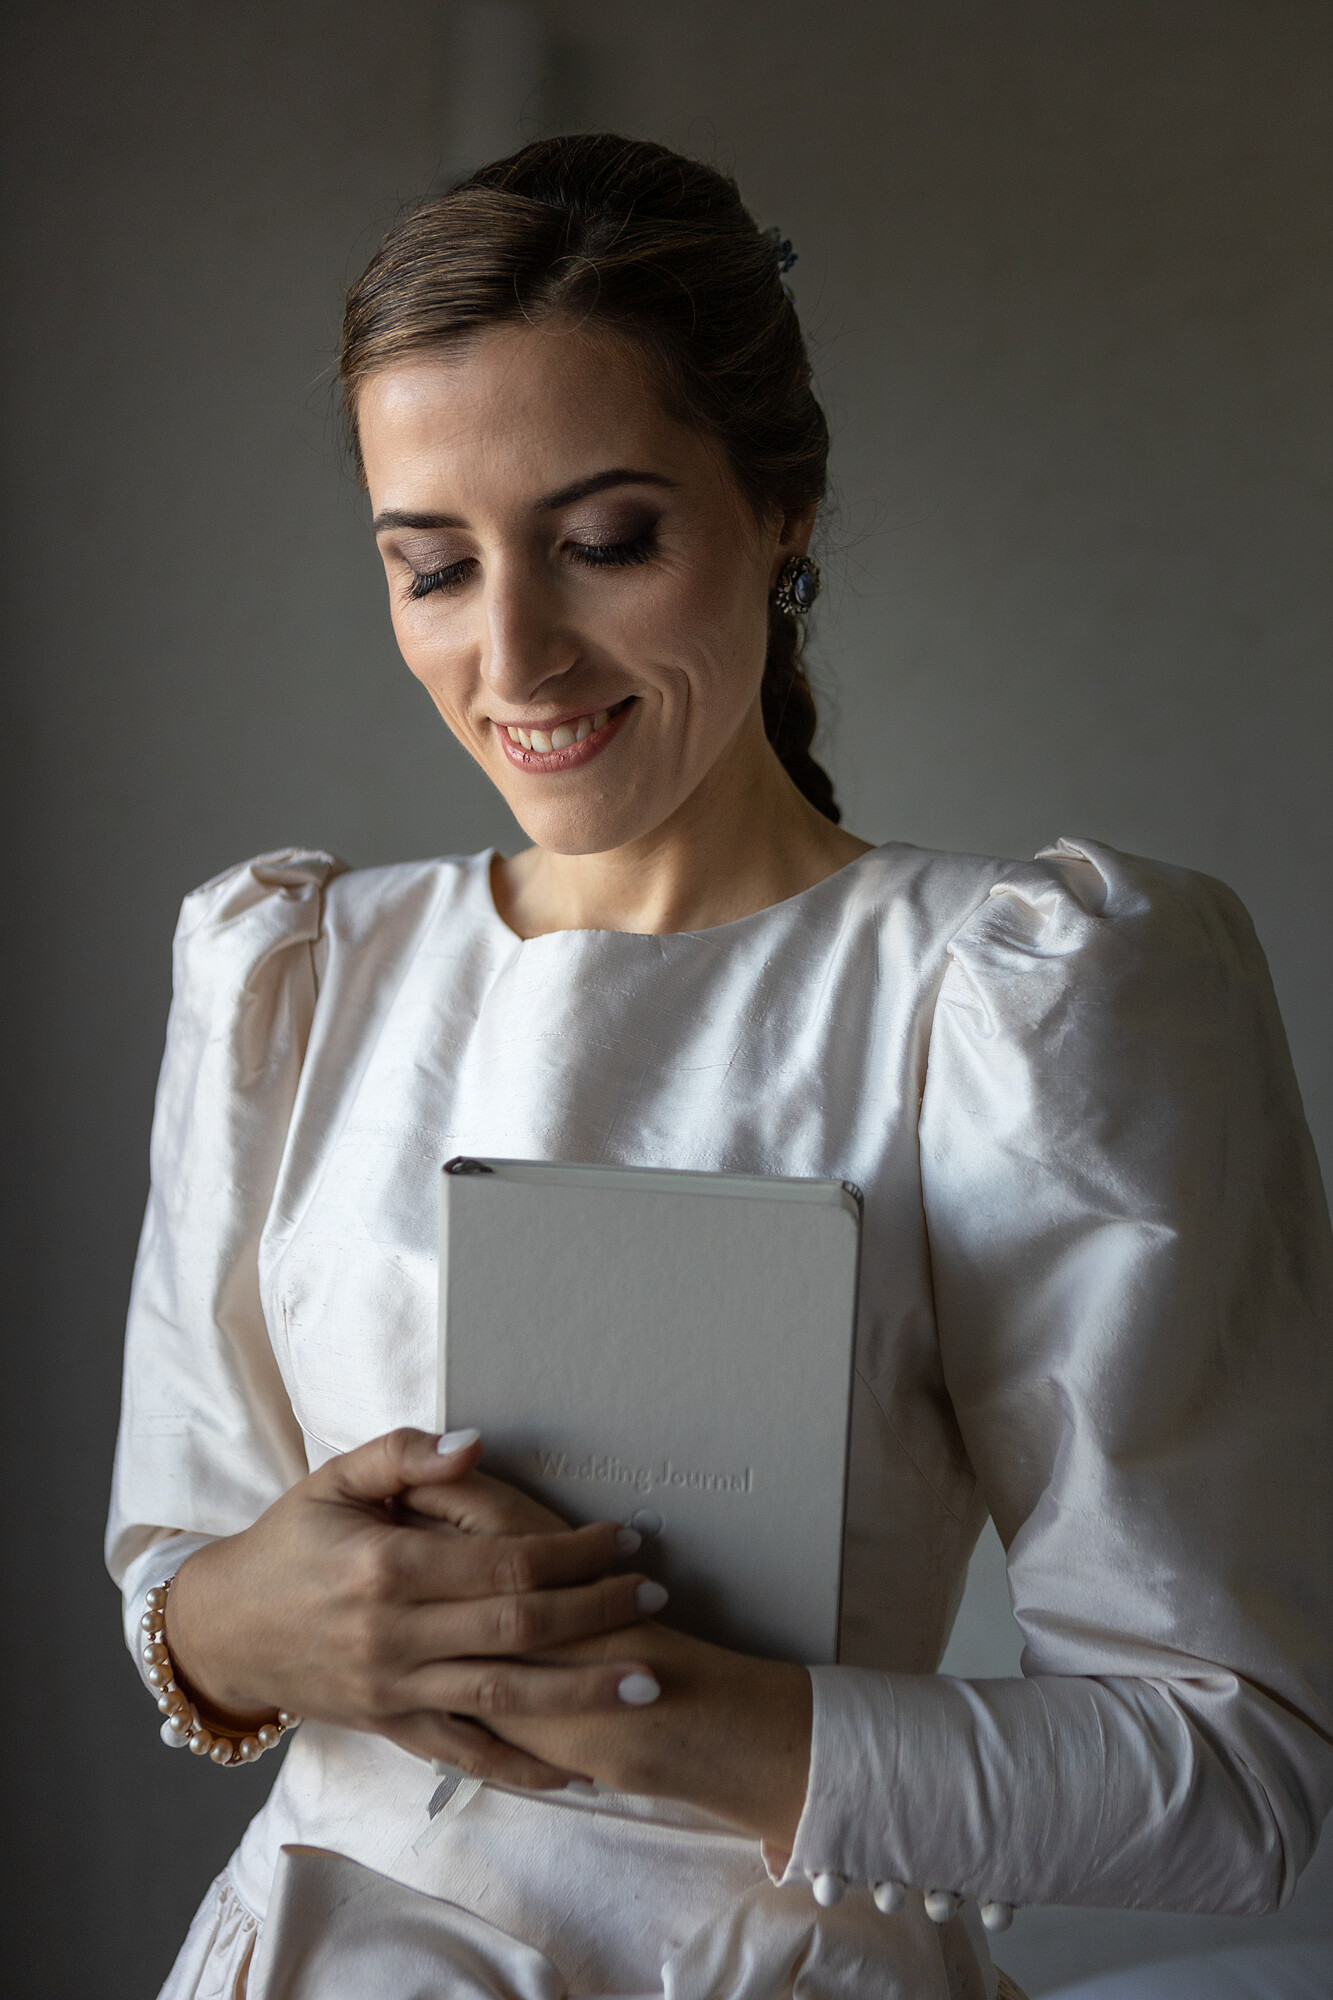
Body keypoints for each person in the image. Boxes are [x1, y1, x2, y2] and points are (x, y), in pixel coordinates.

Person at [107, 134, 1333, 2000]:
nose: (509, 650)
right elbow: (180, 1568)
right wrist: (235, 1629)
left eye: (604, 542)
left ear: (783, 512)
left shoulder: (1019, 999)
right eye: (430, 567)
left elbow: (1246, 1771)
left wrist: (691, 1723)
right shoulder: (289, 978)